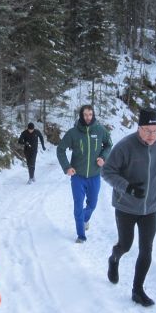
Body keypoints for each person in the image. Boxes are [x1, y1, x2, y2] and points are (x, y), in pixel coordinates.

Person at [101, 107, 156, 307]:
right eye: (147, 130)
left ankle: (137, 290)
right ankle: (114, 259)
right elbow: (107, 172)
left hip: (150, 207)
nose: (152, 135)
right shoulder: (125, 146)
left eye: (155, 130)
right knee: (126, 245)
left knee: (146, 249)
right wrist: (128, 188)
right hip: (126, 207)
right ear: (139, 128)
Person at [56, 104, 112, 243]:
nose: (88, 117)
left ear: (93, 115)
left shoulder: (100, 130)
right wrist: (67, 167)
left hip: (94, 175)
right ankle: (81, 235)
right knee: (78, 205)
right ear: (81, 115)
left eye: (90, 114)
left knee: (92, 204)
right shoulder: (73, 133)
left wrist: (103, 157)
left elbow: (109, 145)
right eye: (85, 115)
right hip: (78, 177)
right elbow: (60, 149)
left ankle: (85, 219)